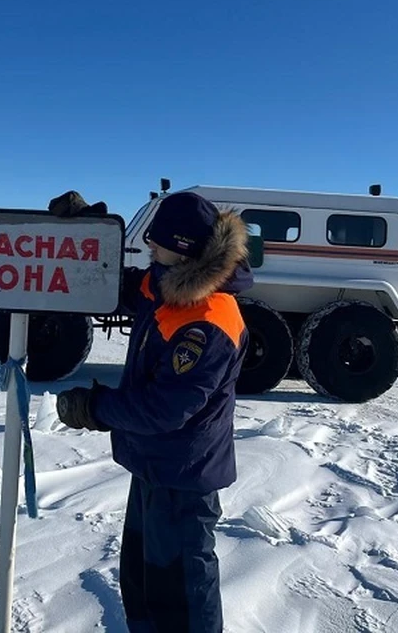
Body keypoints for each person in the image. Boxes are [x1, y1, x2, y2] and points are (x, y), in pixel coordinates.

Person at [54, 190, 253, 633]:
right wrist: (90, 231)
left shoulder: (210, 318)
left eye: (157, 242)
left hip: (182, 476)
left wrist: (94, 407)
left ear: (182, 249)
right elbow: (117, 286)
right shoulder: (165, 284)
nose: (149, 248)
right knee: (143, 585)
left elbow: (164, 409)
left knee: (179, 595)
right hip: (152, 465)